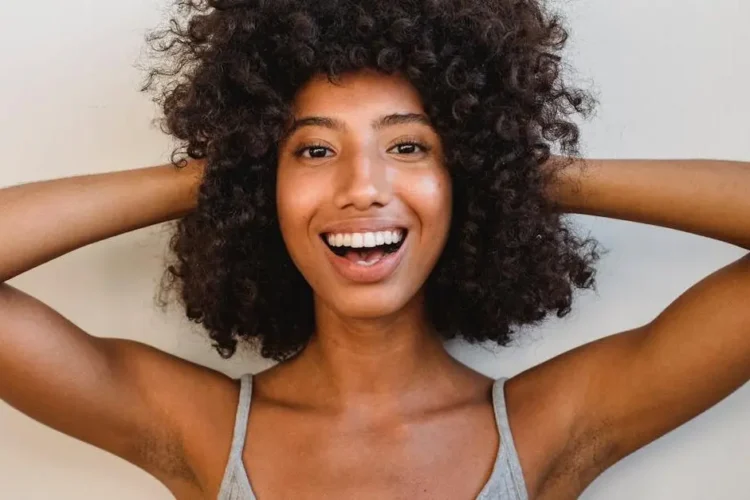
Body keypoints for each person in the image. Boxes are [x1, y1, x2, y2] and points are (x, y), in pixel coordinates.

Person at [1, 0, 748, 499]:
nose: (363, 186)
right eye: (316, 150)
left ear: (464, 172)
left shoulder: (549, 424)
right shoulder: (197, 429)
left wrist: (512, 170)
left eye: (408, 146)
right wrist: (229, 171)